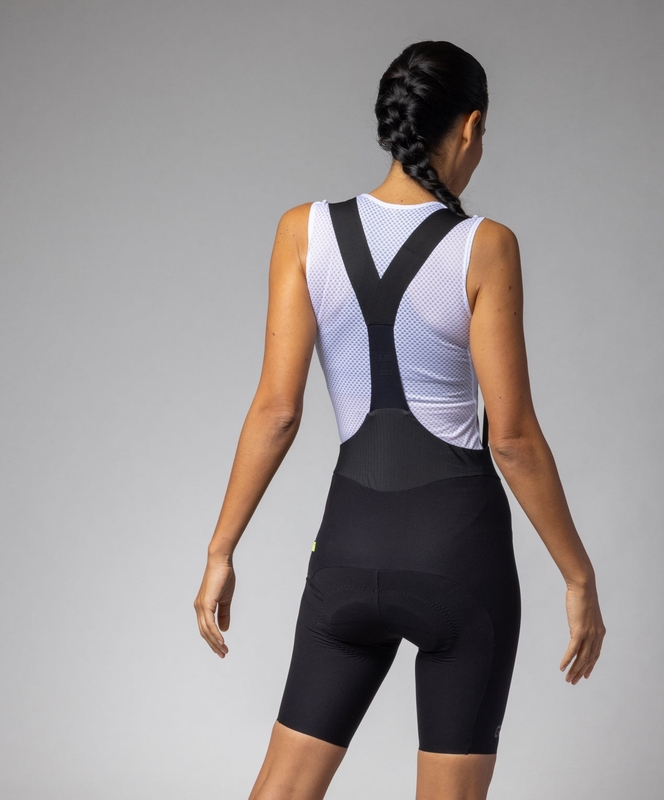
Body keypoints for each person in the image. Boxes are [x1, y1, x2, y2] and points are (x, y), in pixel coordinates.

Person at [194, 39, 606, 800]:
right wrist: (578, 576)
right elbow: (513, 439)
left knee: (281, 791)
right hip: (460, 556)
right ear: (471, 127)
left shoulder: (302, 230)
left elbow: (277, 412)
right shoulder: (485, 246)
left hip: (347, 548)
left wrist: (222, 550)